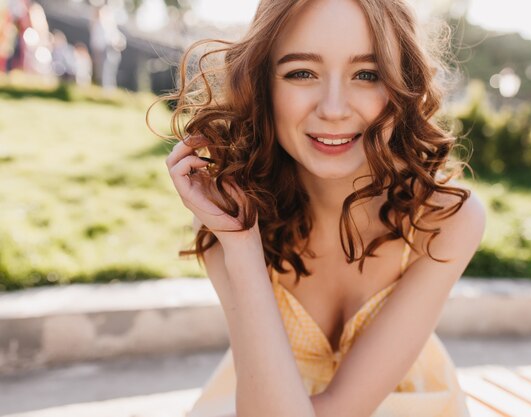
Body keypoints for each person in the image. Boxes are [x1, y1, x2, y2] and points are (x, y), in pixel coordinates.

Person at [160, 0, 485, 415]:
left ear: (402, 83)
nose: (333, 109)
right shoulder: (228, 214)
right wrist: (242, 245)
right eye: (301, 73)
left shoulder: (446, 220)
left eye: (367, 74)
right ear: (262, 84)